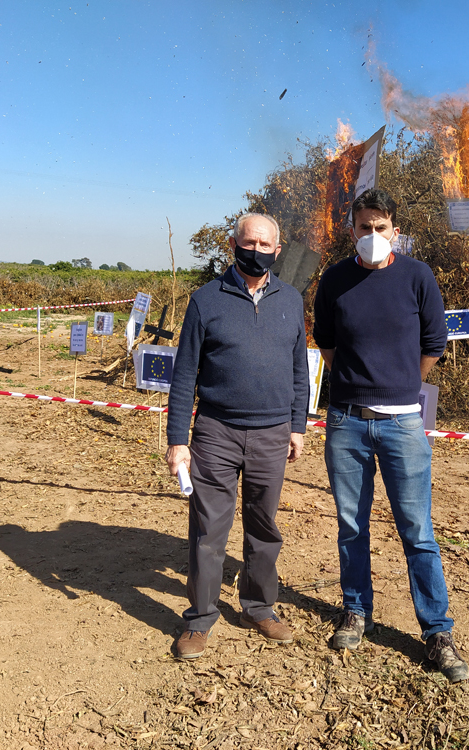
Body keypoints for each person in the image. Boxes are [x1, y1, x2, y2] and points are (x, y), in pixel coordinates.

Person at [312, 188, 469, 683]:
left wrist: (404, 387)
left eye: (381, 227)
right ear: (351, 230)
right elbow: (327, 341)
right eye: (364, 227)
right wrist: (356, 386)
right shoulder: (334, 280)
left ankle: (437, 632)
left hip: (403, 423)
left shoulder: (418, 277)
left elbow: (433, 342)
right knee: (351, 527)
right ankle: (356, 612)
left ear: (394, 230)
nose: (372, 236)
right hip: (347, 422)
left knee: (418, 531)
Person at [165, 213, 309, 659]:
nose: (256, 250)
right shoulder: (205, 300)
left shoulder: (291, 300)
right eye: (249, 242)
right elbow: (185, 373)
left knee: (264, 527)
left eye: (266, 244)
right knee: (208, 530)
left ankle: (259, 607)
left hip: (272, 433)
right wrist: (177, 439)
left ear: (277, 250)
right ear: (233, 243)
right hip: (215, 433)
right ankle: (201, 619)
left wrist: (298, 425)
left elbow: (299, 371)